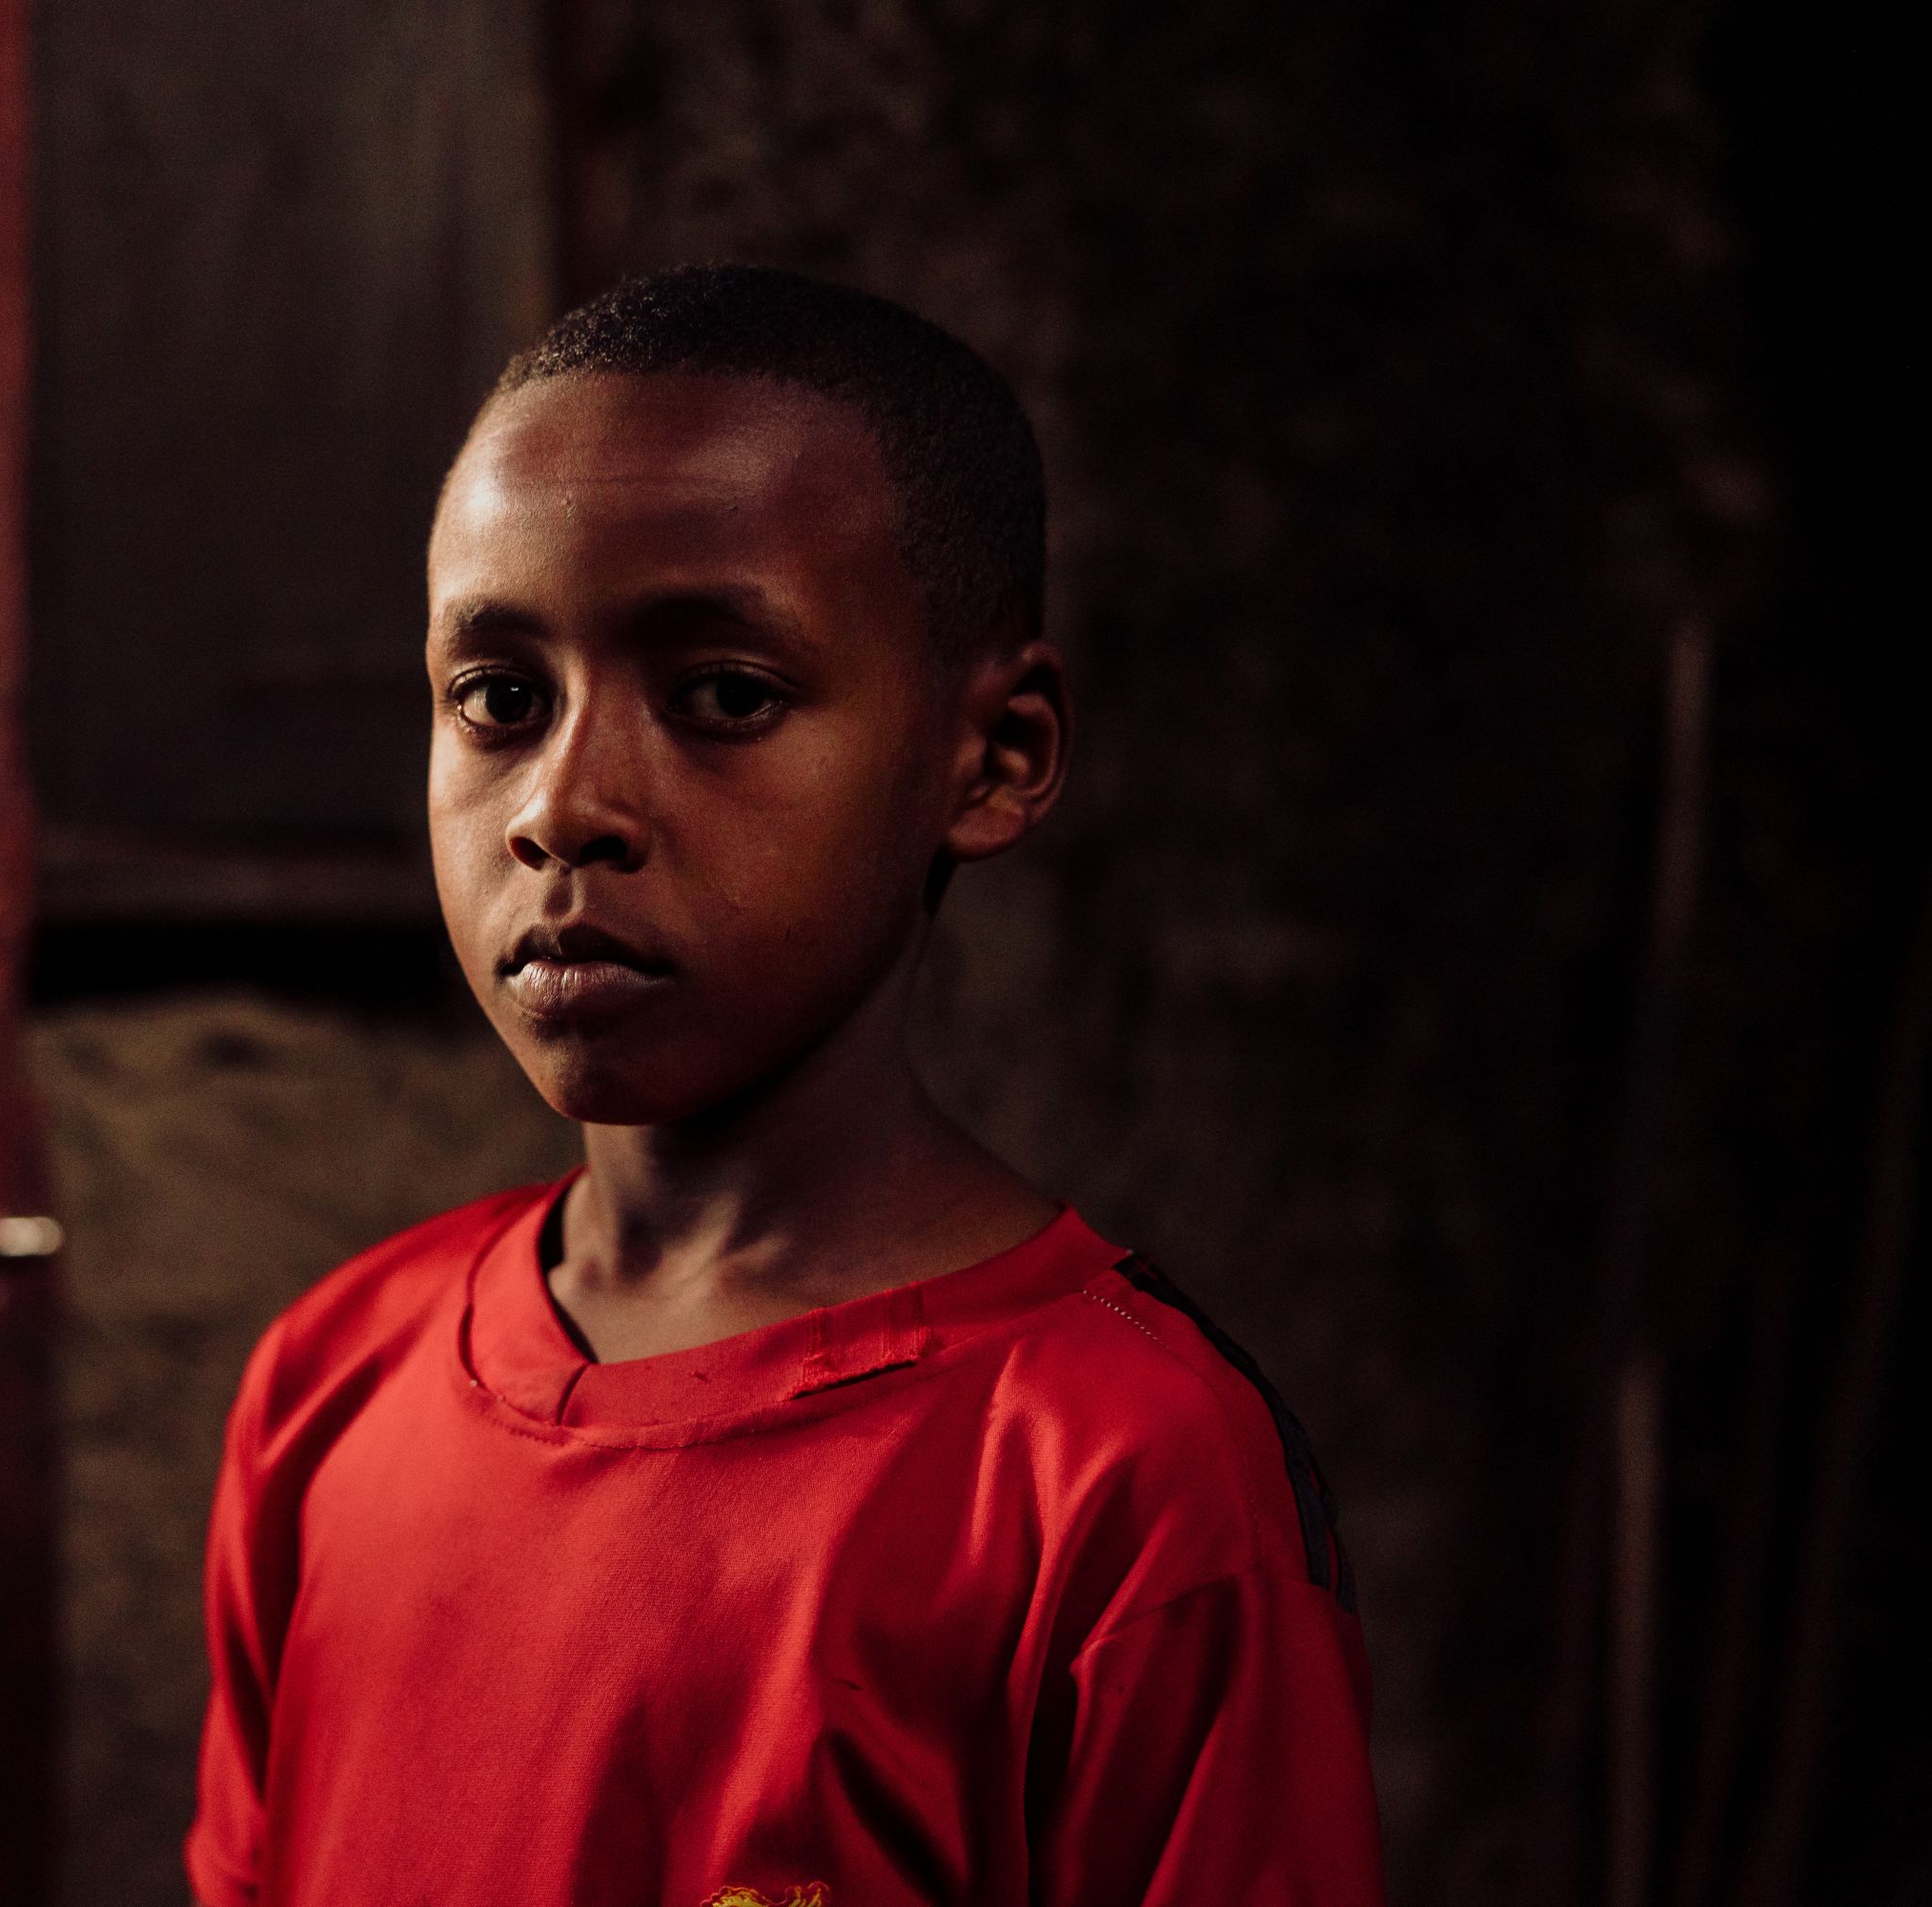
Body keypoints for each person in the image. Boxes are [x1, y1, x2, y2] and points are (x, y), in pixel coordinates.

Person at [187, 264, 1387, 1907]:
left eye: (726, 696)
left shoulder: (1113, 1481)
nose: (565, 805)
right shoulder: (333, 1389)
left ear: (996, 755)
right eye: (497, 700)